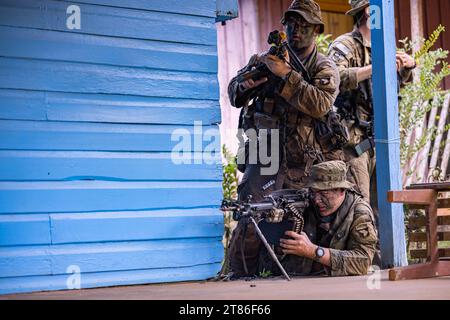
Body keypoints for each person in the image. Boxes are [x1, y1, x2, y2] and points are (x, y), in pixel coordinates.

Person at [227, 0, 342, 277]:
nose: (296, 30)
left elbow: (320, 104)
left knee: (301, 220)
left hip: (304, 158)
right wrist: (246, 84)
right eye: (291, 24)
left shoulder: (324, 67)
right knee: (251, 213)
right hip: (264, 151)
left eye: (303, 25)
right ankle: (240, 277)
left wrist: (286, 75)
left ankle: (298, 276)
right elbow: (234, 93)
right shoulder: (265, 59)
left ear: (316, 30)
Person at [327, 0, 416, 206]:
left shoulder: (383, 47)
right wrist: (375, 67)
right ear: (369, 11)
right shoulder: (345, 45)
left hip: (382, 139)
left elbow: (390, 87)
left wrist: (406, 68)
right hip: (354, 142)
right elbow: (333, 79)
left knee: (387, 204)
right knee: (359, 205)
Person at [259, 160, 378, 277]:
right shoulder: (303, 201)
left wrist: (313, 251)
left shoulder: (359, 212)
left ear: (342, 190)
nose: (316, 199)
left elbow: (363, 261)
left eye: (324, 193)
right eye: (314, 192)